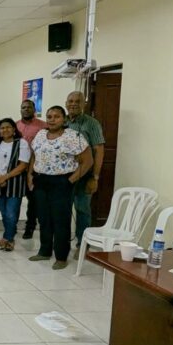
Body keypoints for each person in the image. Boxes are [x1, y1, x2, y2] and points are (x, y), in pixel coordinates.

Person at [28, 106, 93, 270]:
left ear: (64, 119)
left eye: (56, 116)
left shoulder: (73, 136)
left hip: (62, 181)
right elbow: (34, 155)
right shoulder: (41, 134)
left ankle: (61, 256)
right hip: (41, 180)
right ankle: (44, 251)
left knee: (60, 220)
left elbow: (88, 161)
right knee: (44, 218)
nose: (52, 119)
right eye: (49, 116)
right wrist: (30, 175)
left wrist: (70, 180)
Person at [65, 91, 105, 251]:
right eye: (71, 101)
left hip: (84, 174)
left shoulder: (91, 123)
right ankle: (63, 243)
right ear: (66, 103)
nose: (73, 104)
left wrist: (95, 177)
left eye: (78, 101)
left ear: (84, 104)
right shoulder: (62, 122)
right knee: (63, 209)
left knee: (82, 210)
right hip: (64, 175)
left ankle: (82, 245)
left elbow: (99, 150)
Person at [0, 118, 30, 252]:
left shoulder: (21, 143)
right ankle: (9, 235)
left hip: (15, 183)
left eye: (8, 127)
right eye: (2, 128)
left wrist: (5, 177)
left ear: (14, 129)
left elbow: (23, 164)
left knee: (11, 213)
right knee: (4, 212)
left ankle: (8, 239)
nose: (5, 130)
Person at [16, 99, 47, 239]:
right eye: (23, 107)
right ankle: (12, 225)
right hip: (17, 169)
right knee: (15, 199)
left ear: (34, 109)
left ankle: (30, 227)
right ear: (20, 109)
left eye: (29, 107)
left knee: (33, 200)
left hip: (34, 169)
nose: (26, 109)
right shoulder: (15, 126)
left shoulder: (43, 126)